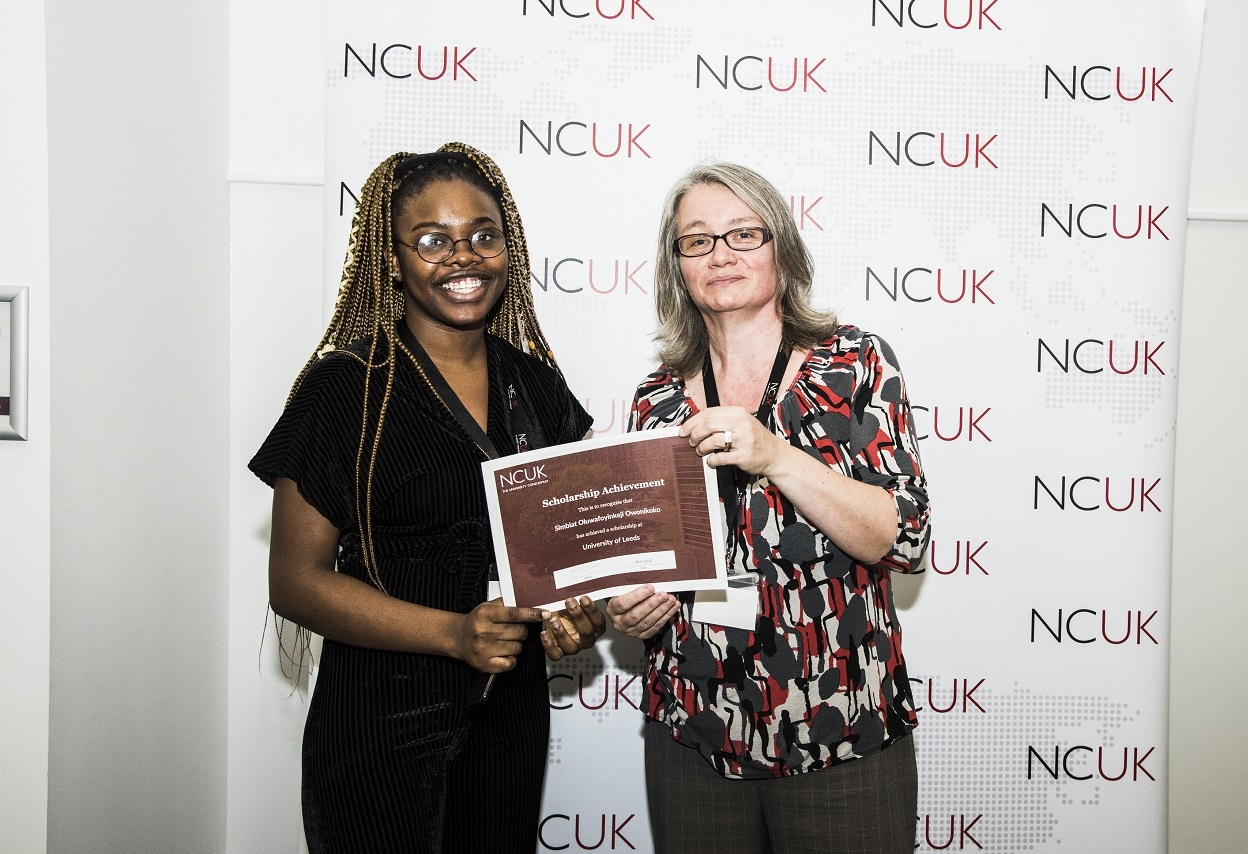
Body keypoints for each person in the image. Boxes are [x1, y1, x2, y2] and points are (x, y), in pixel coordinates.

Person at [248, 143, 605, 854]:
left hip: (507, 715)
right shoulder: (345, 389)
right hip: (380, 719)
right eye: (433, 240)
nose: (464, 258)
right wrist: (452, 634)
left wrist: (579, 617)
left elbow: (571, 564)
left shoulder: (536, 387)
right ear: (392, 256)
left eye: (484, 236)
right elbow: (294, 582)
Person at [607, 163, 931, 854]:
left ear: (780, 247)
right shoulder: (655, 399)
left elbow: (903, 540)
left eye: (742, 234)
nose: (720, 254)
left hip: (838, 727)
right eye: (696, 241)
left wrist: (775, 455)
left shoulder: (853, 364)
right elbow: (649, 558)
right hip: (696, 730)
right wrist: (631, 607)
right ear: (677, 267)